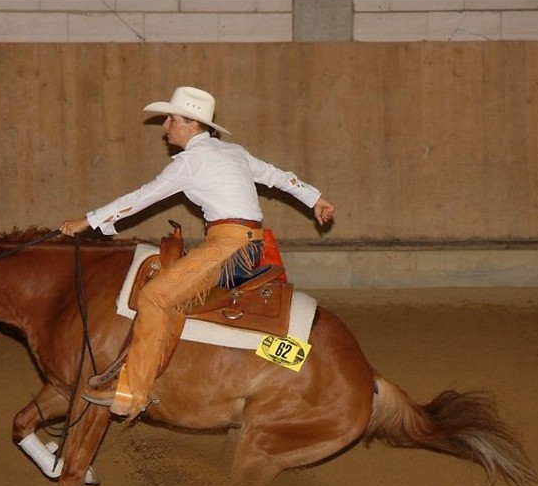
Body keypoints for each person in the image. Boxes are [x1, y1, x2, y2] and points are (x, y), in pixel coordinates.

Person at [60, 86, 335, 420]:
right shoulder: (234, 152)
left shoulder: (190, 162)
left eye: (171, 119)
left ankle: (133, 392)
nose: (165, 127)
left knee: (154, 297)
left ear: (191, 124)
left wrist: (87, 221)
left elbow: (141, 197)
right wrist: (315, 199)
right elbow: (277, 177)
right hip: (253, 244)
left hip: (229, 248)